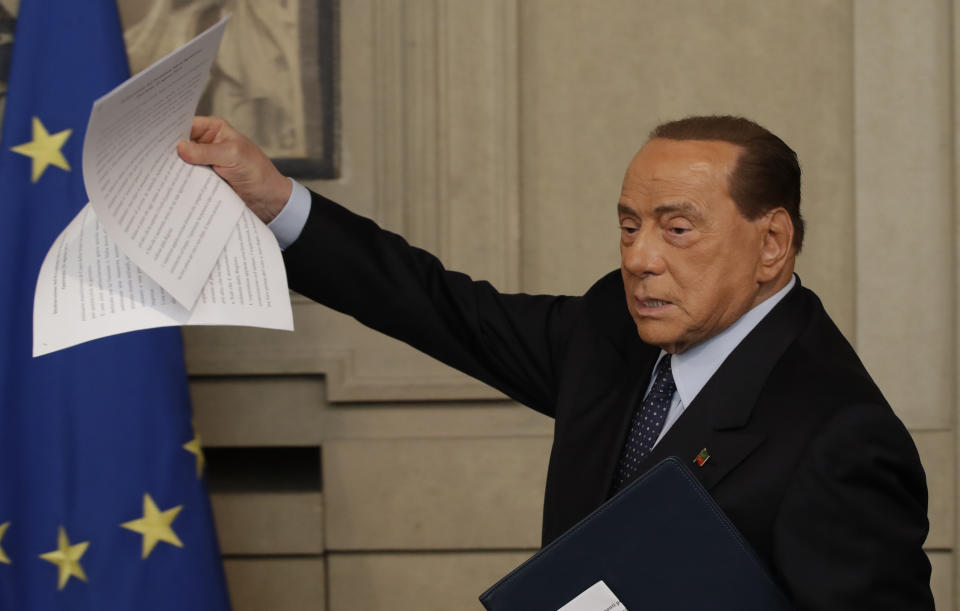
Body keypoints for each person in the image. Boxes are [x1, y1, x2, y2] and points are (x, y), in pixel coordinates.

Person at [178, 114, 934, 609]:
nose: (640, 258)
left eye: (677, 229)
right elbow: (441, 308)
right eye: (629, 225)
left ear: (772, 244)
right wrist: (276, 200)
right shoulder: (614, 328)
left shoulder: (840, 435)